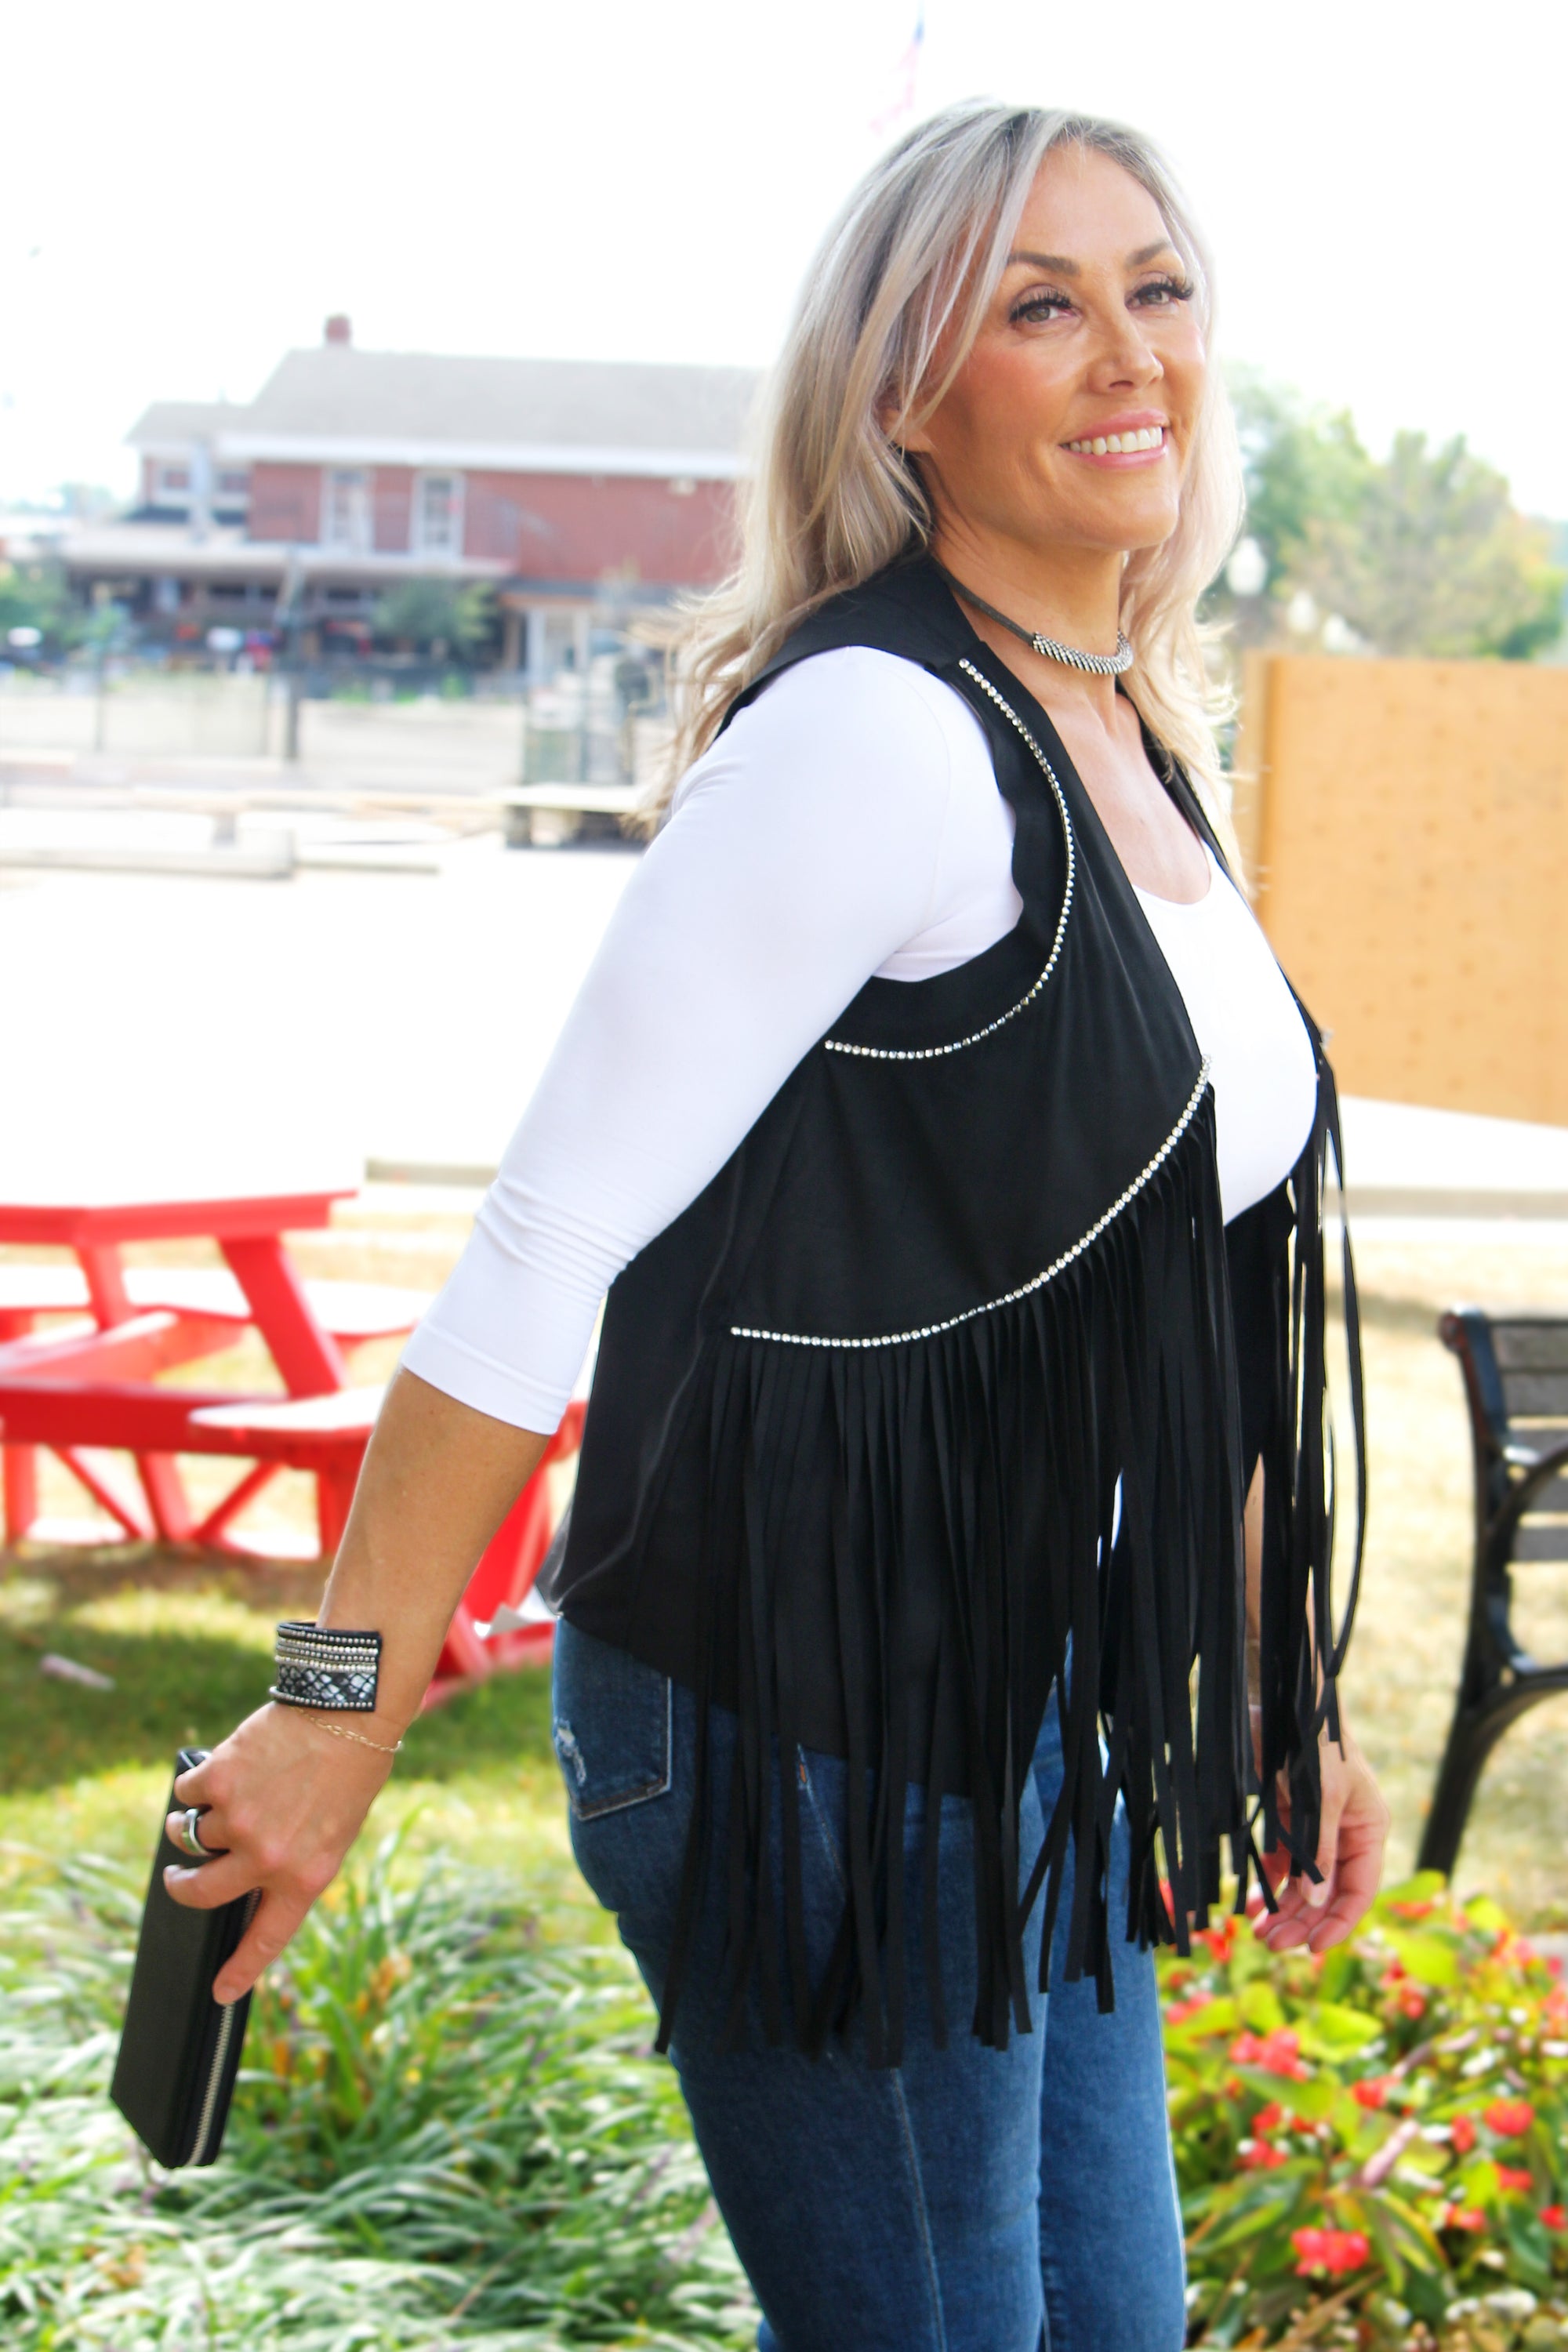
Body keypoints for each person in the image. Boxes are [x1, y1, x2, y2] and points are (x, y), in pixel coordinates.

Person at [166, 103, 1390, 2352]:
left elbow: (1182, 1286)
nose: (1129, 352)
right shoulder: (872, 738)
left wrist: (1278, 1683)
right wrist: (330, 1718)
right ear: (906, 395)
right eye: (1040, 305)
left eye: (1159, 287)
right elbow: (534, 1256)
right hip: (804, 1728)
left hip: (1033, 1710)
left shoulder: (1127, 732)